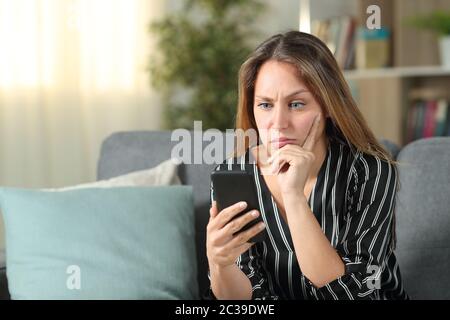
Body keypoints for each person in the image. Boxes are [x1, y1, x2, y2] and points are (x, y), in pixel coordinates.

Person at [204, 31, 409, 300]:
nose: (278, 123)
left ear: (327, 105)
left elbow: (354, 292)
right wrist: (221, 264)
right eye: (265, 104)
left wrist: (293, 197)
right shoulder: (235, 175)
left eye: (297, 104)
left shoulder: (370, 172)